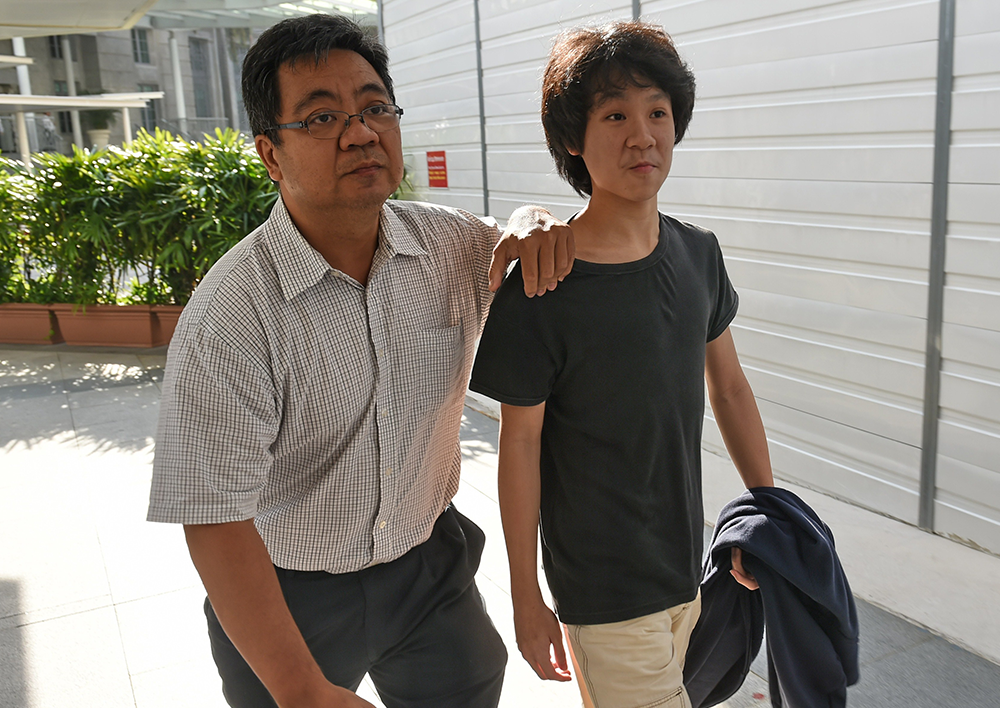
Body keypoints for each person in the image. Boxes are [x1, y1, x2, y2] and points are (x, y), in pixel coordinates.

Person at [146, 13, 573, 708]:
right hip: (288, 589)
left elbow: (520, 242)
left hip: (429, 568)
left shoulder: (451, 247)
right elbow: (214, 519)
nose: (360, 131)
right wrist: (300, 689)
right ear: (269, 154)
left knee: (469, 685)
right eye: (321, 118)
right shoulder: (233, 313)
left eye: (376, 107)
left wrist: (533, 220)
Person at [469, 20, 775, 708]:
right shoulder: (542, 286)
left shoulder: (699, 254)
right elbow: (518, 445)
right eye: (615, 115)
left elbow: (728, 389)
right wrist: (526, 595)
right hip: (604, 588)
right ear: (573, 140)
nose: (643, 135)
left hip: (684, 567)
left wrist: (768, 514)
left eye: (657, 112)